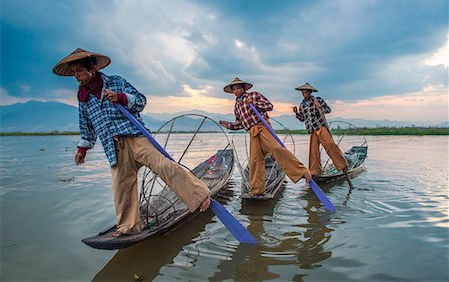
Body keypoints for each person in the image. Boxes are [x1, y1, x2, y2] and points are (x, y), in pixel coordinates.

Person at [53, 48, 211, 237]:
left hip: (136, 137)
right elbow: (86, 126)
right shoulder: (83, 98)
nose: (77, 76)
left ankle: (200, 195)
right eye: (74, 72)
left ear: (92, 68)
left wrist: (121, 97)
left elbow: (141, 102)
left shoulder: (116, 82)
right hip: (114, 146)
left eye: (79, 70)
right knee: (122, 187)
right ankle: (128, 226)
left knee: (164, 166)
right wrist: (82, 149)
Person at [219, 78, 311, 196]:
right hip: (252, 132)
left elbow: (269, 106)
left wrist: (255, 104)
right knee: (255, 160)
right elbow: (240, 123)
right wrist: (227, 125)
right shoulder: (237, 106)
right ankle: (257, 190)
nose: (236, 91)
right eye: (234, 89)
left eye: (238, 88)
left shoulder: (254, 95)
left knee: (276, 149)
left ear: (243, 88)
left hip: (262, 126)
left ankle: (302, 171)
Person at [292, 82, 348, 176]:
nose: (304, 94)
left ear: (309, 92)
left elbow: (328, 110)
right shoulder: (302, 105)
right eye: (302, 92)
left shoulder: (317, 100)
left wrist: (320, 107)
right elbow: (302, 118)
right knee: (314, 152)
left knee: (330, 145)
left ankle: (342, 165)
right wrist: (296, 113)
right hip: (312, 130)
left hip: (320, 127)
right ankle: (315, 171)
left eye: (305, 92)